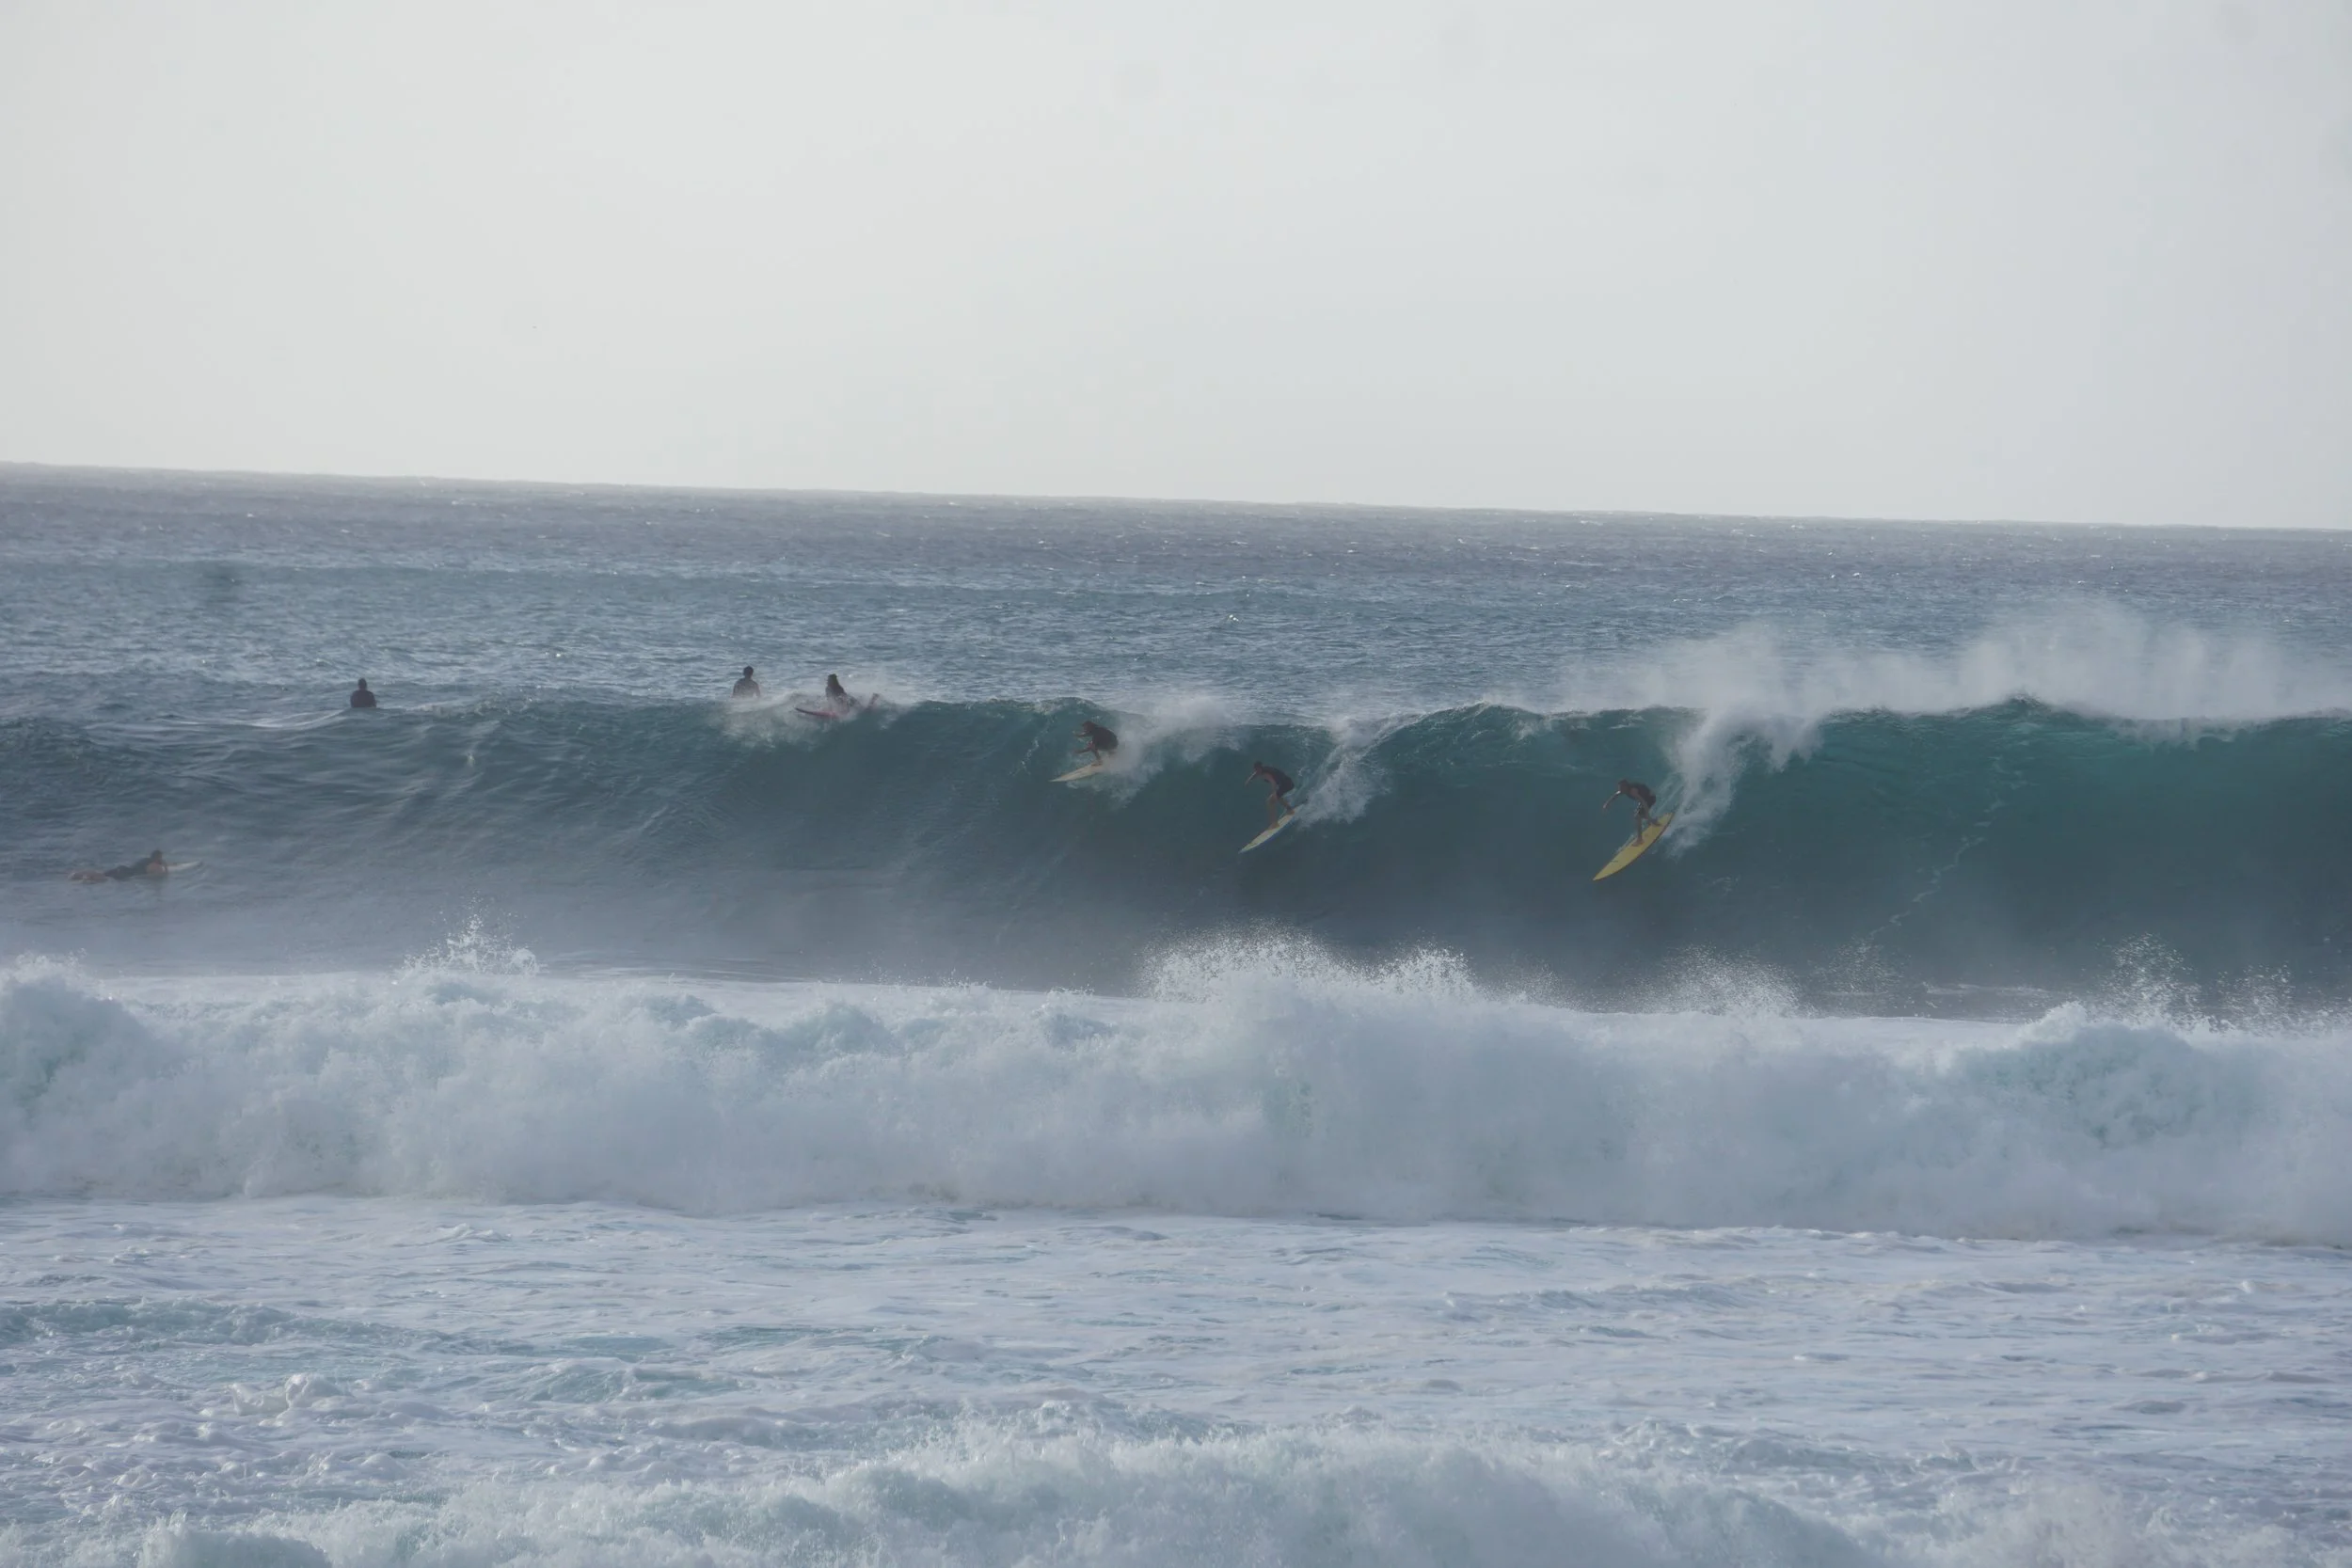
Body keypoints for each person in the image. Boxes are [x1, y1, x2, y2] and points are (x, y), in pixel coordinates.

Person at [1248, 760, 1296, 831]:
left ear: (1260, 768)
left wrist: (1274, 793)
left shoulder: (1266, 774)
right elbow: (1255, 774)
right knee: (1278, 797)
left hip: (1287, 784)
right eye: (1255, 770)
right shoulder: (1262, 770)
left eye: (1257, 770)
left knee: (1269, 801)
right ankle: (1290, 810)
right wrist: (1249, 780)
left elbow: (1273, 782)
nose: (1256, 771)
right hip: (1286, 782)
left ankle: (1274, 824)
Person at [72, 849, 167, 883]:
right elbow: (162, 875)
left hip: (123, 868)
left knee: (102, 873)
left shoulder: (145, 860)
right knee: (104, 878)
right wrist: (165, 867)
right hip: (126, 874)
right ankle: (87, 878)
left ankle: (78, 874)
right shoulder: (154, 865)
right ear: (158, 858)